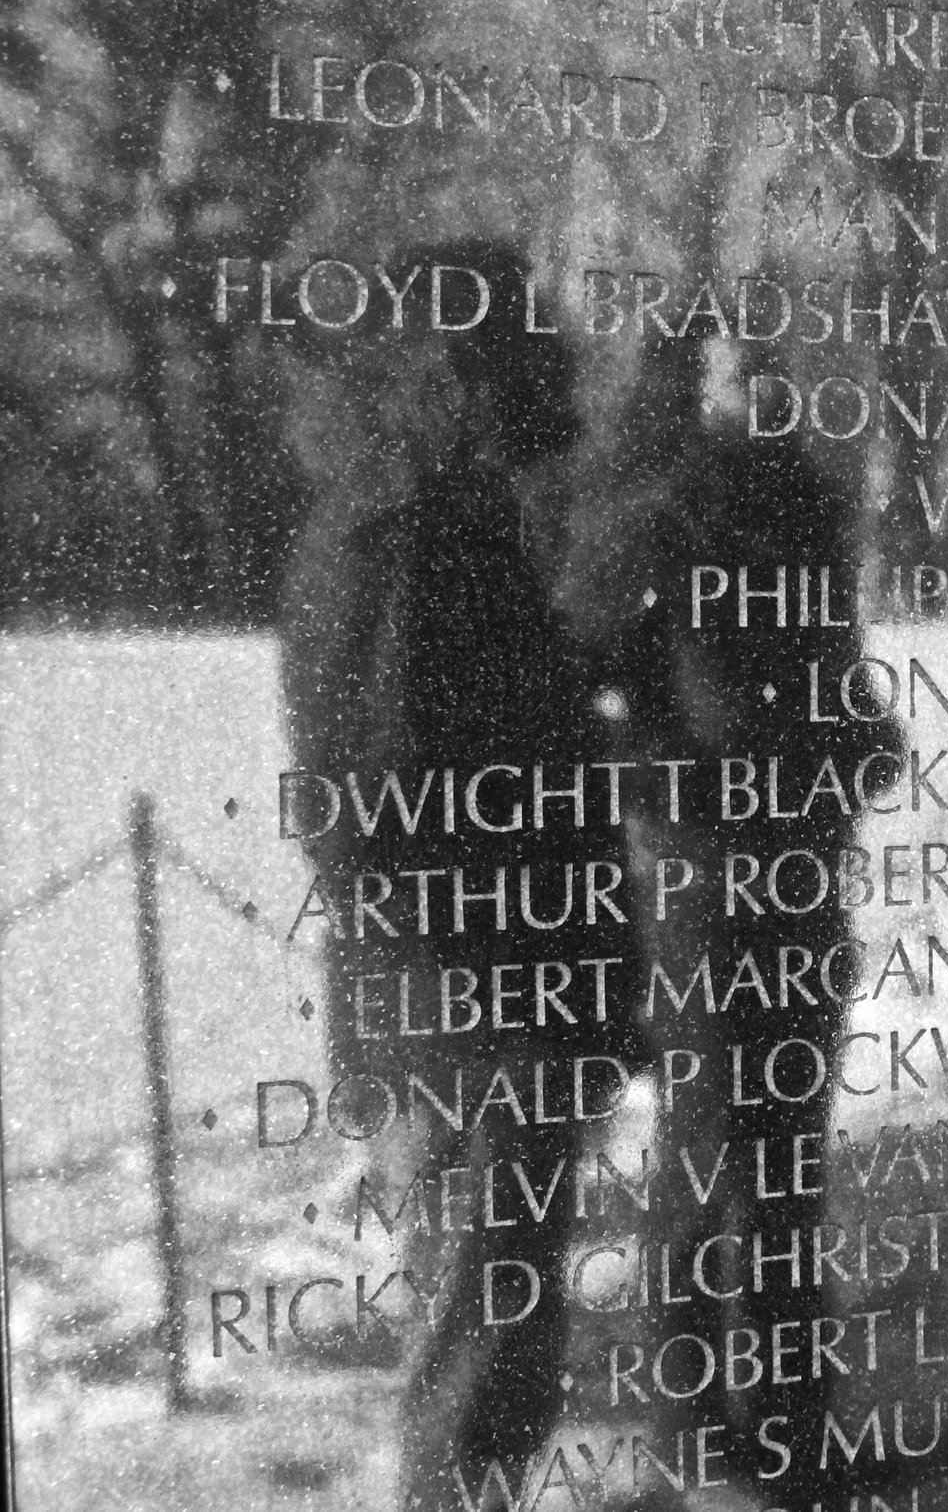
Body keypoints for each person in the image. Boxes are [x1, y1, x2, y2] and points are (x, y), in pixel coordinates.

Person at [277, 238, 623, 1511]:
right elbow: (371, 817)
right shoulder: (407, 541)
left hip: (484, 1009)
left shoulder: (443, 525)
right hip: (473, 1019)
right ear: (464, 369)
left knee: (497, 1346)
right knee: (478, 1357)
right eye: (527, 338)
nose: (560, 364)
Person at [567, 333, 902, 1512]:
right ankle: (694, 1422)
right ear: (696, 393)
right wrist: (673, 776)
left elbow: (834, 677)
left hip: (801, 872)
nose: (761, 389)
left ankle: (796, 1411)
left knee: (789, 1159)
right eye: (735, 373)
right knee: (706, 1154)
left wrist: (861, 739)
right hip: (704, 885)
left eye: (771, 369)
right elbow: (590, 692)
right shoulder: (653, 521)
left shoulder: (809, 517)